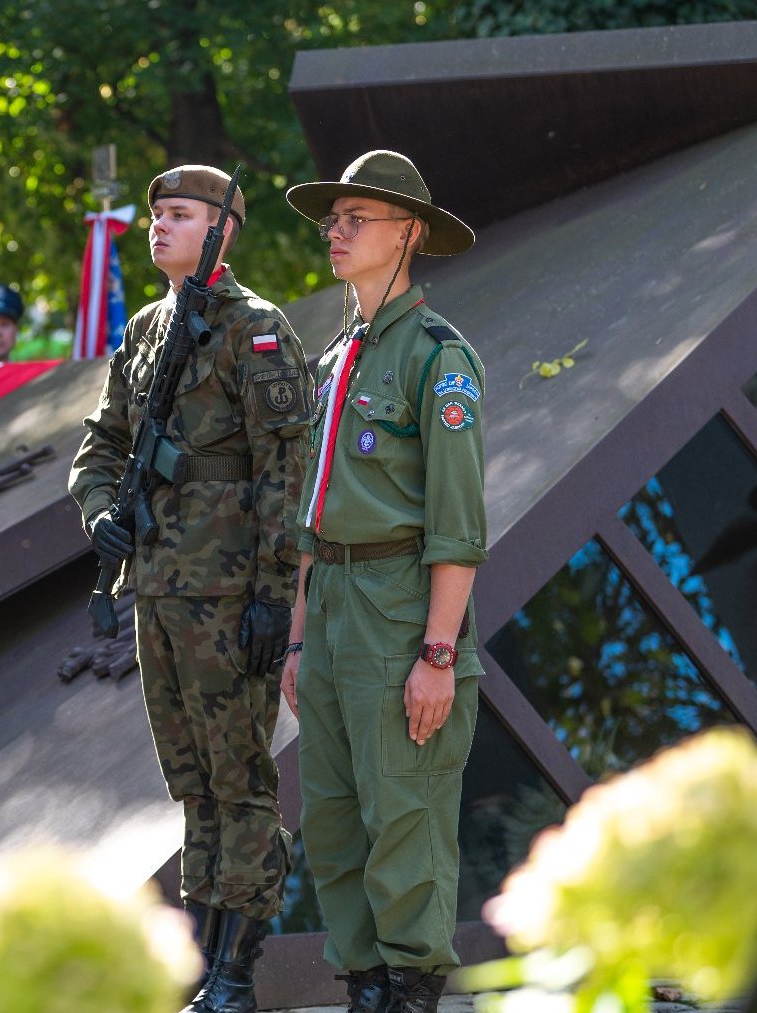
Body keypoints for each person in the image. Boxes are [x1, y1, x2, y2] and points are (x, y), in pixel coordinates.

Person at [67, 165, 312, 1013]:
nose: (158, 227)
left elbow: (288, 475)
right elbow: (99, 448)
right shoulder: (143, 331)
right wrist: (102, 516)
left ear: (222, 231)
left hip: (228, 594)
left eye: (179, 215)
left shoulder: (259, 332)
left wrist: (274, 597)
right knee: (192, 783)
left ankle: (237, 972)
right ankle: (207, 965)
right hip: (161, 593)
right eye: (155, 216)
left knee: (240, 780)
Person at [280, 150, 487, 1013]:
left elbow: (458, 527)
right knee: (330, 816)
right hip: (328, 602)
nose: (335, 231)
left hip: (398, 605)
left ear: (408, 233)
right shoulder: (339, 356)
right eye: (333, 219)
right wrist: (297, 635)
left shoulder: (440, 358)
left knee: (404, 814)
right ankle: (365, 984)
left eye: (354, 218)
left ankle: (409, 990)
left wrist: (437, 651)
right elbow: (309, 513)